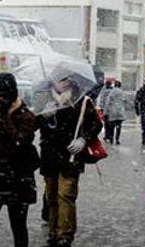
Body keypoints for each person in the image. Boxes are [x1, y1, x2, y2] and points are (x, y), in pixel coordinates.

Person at [36, 78, 103, 247]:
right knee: (51, 195)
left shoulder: (81, 100)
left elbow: (96, 124)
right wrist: (44, 116)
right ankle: (53, 231)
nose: (62, 83)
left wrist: (83, 139)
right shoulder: (45, 99)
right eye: (59, 79)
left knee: (66, 194)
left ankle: (65, 234)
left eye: (66, 79)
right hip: (50, 155)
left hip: (71, 155)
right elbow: (35, 125)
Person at [0, 73, 39, 247]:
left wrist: (5, 117)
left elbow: (18, 143)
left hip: (17, 178)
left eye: (4, 94)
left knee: (18, 227)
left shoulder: (26, 116)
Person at [106, 81, 126, 145]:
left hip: (112, 112)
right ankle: (117, 140)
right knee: (119, 126)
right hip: (120, 112)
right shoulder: (122, 92)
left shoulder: (111, 92)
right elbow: (125, 101)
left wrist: (106, 112)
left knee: (111, 127)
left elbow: (107, 102)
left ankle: (111, 139)